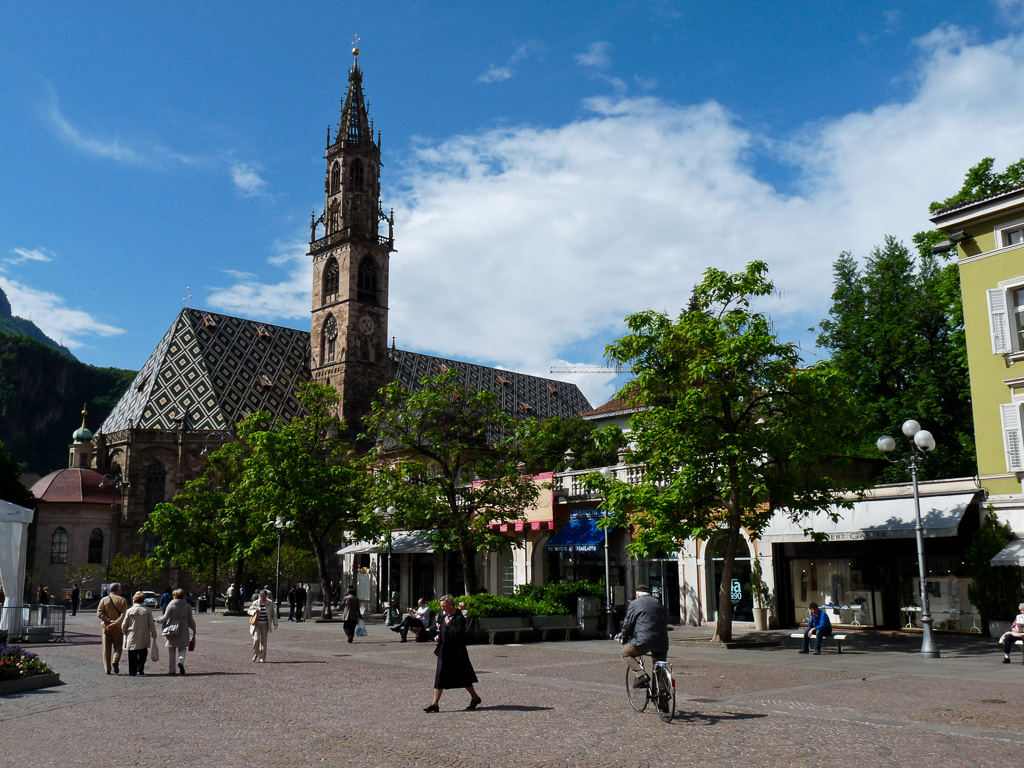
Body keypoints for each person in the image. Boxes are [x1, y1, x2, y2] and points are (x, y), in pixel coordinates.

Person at [424, 594, 480, 713]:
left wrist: (448, 624)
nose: (442, 609)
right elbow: (443, 631)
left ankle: (475, 697)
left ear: (450, 605)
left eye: (444, 606)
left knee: (463, 677)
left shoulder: (459, 618)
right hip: (444, 651)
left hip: (456, 652)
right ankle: (435, 704)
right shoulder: (444, 617)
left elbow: (458, 633)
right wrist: (438, 637)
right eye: (442, 607)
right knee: (439, 676)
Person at [619, 585, 669, 689]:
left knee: (625, 653)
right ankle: (663, 699)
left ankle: (641, 676)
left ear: (638, 595)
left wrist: (624, 636)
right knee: (659, 666)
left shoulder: (635, 603)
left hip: (644, 640)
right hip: (662, 641)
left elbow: (628, 623)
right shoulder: (658, 602)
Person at [157, 588, 196, 675]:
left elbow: (165, 618)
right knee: (182, 648)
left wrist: (158, 620)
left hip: (172, 630)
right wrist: (194, 629)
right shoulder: (187, 606)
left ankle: (172, 670)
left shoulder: (171, 605)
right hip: (183, 630)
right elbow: (191, 621)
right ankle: (181, 661)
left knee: (171, 651)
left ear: (174, 596)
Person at [121, 591, 159, 676]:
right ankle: (140, 669)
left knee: (132, 653)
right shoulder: (147, 610)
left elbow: (124, 624)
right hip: (144, 633)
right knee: (143, 652)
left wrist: (124, 631)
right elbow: (151, 624)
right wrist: (154, 633)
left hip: (132, 633)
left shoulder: (129, 610)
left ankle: (132, 671)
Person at [97, 583, 128, 675]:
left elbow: (99, 613)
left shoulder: (104, 600)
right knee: (118, 646)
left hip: (106, 627)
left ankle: (107, 669)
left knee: (106, 649)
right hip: (118, 627)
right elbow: (124, 614)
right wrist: (115, 623)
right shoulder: (122, 600)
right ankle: (115, 660)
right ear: (118, 590)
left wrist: (108, 620)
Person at [248, 589, 278, 662]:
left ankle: (262, 658)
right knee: (256, 639)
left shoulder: (270, 603)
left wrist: (275, 623)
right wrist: (254, 611)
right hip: (256, 624)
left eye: (264, 597)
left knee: (264, 641)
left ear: (266, 596)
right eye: (261, 597)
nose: (263, 599)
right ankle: (255, 654)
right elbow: (249, 611)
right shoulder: (255, 603)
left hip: (265, 624)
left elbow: (273, 614)